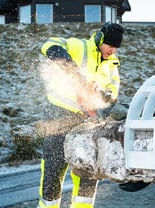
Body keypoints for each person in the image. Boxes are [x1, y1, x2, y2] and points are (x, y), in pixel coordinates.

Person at [37, 22, 124, 208]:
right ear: (100, 39)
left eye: (116, 47)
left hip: (89, 120)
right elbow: (48, 45)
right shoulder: (79, 46)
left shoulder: (112, 64)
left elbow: (113, 91)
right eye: (110, 45)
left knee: (87, 170)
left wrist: (104, 95)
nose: (113, 50)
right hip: (59, 115)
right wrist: (74, 71)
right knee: (54, 168)